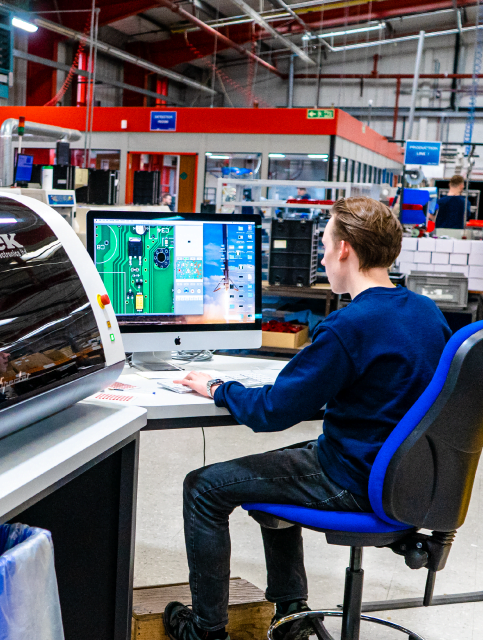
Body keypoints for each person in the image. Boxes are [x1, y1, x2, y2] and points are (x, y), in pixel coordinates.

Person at [161, 197, 451, 640]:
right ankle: (290, 613)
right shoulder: (425, 312)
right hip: (409, 478)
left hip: (353, 478)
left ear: (345, 250)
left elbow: (274, 410)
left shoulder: (348, 326)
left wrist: (219, 388)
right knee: (271, 470)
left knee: (203, 487)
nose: (320, 257)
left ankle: (206, 632)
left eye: (325, 244)